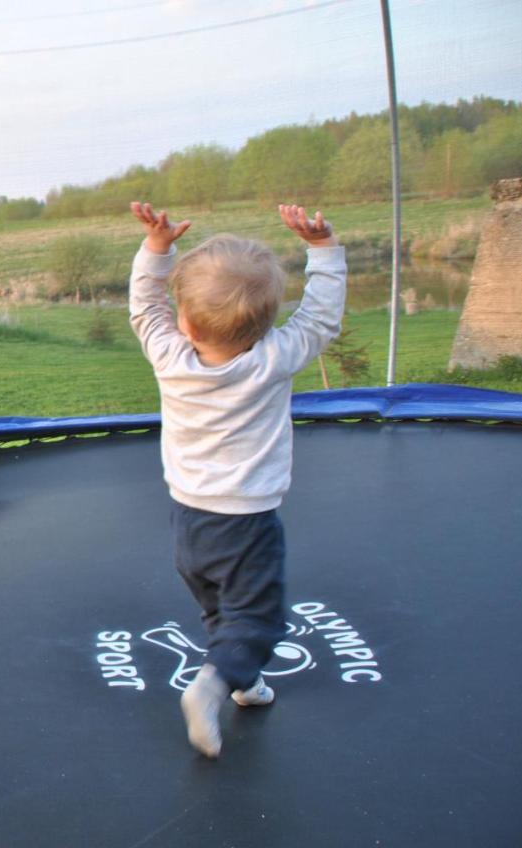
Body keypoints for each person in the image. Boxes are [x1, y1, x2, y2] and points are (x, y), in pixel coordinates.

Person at [127, 200, 346, 758]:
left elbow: (143, 307)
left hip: (187, 520)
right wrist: (322, 250)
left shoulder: (169, 355)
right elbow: (321, 317)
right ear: (267, 321)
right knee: (260, 615)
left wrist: (157, 248)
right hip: (246, 520)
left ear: (187, 322)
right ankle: (213, 685)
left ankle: (245, 682)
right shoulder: (275, 357)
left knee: (221, 607)